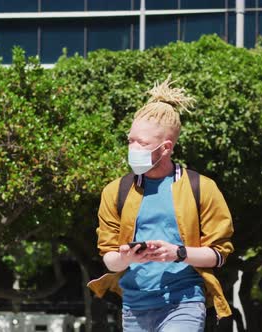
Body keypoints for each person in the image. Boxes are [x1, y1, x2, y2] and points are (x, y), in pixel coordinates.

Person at [88, 76, 234, 332]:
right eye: (130, 140)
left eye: (141, 143)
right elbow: (109, 259)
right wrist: (126, 258)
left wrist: (178, 253)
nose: (133, 148)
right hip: (134, 306)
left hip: (184, 302)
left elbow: (219, 254)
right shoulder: (116, 191)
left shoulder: (202, 188)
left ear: (166, 148)